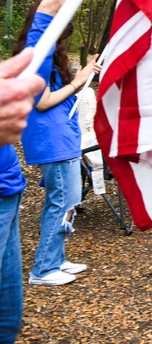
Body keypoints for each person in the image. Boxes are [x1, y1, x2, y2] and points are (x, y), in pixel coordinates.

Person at [14, 0, 101, 287]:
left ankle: (57, 258)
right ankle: (43, 268)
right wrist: (78, 82)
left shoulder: (48, 54)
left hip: (62, 136)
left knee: (68, 201)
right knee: (61, 201)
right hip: (51, 138)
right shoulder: (37, 52)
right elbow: (42, 100)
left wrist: (83, 71)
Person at [0, 48, 46, 343]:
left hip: (8, 189)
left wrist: (46, 13)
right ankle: (46, 265)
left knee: (7, 321)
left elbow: (36, 54)